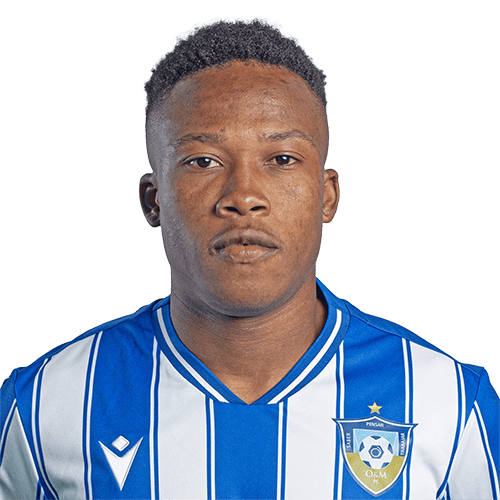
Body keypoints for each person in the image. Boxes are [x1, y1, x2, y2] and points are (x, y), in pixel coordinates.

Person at [0, 16, 498, 500]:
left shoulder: (449, 403)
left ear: (327, 196)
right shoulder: (45, 405)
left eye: (282, 159)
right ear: (154, 200)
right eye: (203, 161)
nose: (243, 196)